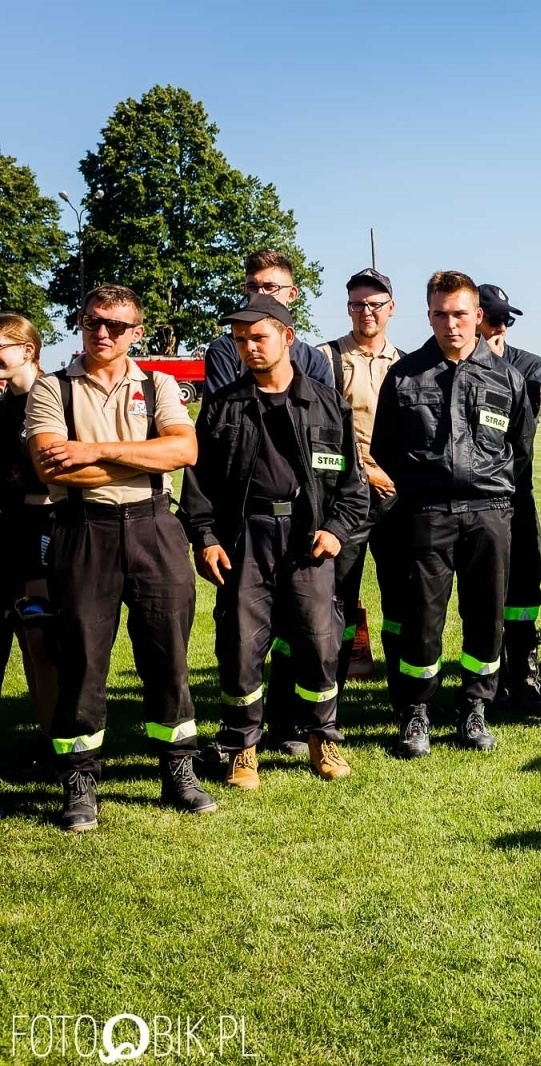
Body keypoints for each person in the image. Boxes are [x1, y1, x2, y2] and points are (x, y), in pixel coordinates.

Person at [24, 284, 214, 831]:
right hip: (83, 531)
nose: (100, 332)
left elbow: (184, 451)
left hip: (155, 527)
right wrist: (142, 458)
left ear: (137, 332)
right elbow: (52, 469)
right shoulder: (50, 389)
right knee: (82, 659)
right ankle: (80, 782)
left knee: (168, 655)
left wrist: (95, 449)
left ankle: (178, 770)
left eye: (114, 324)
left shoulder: (158, 383)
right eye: (91, 321)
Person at [179, 295, 366, 788]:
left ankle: (323, 739)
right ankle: (243, 746)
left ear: (286, 337)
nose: (248, 348)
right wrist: (206, 538)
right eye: (240, 341)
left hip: (309, 540)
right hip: (247, 539)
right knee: (240, 645)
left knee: (320, 641)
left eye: (258, 338)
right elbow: (198, 485)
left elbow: (353, 483)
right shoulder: (223, 406)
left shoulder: (327, 403)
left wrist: (336, 530)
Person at [369, 271, 535, 757]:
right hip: (426, 514)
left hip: (489, 512)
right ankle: (416, 712)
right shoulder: (405, 375)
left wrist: (495, 493)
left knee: (486, 615)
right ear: (428, 316)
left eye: (460, 314)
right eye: (440, 314)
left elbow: (520, 450)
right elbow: (386, 448)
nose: (451, 324)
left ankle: (474, 707)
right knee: (422, 618)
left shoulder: (507, 376)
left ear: (478, 316)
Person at [315, 268, 406, 692]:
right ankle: (326, 695)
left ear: (391, 308)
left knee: (402, 598)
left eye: (374, 304)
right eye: (357, 304)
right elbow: (319, 431)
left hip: (396, 500)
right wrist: (366, 468)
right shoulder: (325, 359)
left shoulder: (407, 364)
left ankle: (404, 693)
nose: (365, 311)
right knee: (336, 600)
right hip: (345, 498)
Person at [477, 282, 541, 716]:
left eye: (507, 318)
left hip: (515, 494)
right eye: (494, 316)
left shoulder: (527, 364)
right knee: (483, 593)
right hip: (476, 498)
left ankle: (524, 677)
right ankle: (487, 685)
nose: (502, 325)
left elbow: (519, 433)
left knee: (523, 592)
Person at [0, 314, 59, 754]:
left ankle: (52, 743)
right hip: (6, 530)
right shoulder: (2, 406)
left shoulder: (54, 397)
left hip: (46, 529)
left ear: (27, 350)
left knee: (39, 638)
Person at [203, 249, 333, 395]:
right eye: (252, 287)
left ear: (291, 294)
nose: (260, 294)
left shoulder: (314, 361)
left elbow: (325, 413)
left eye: (270, 287)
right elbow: (218, 413)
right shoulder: (225, 350)